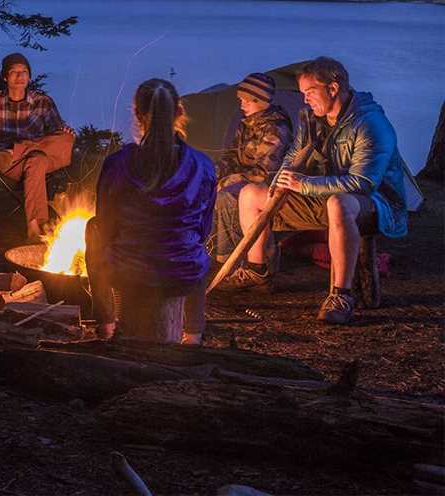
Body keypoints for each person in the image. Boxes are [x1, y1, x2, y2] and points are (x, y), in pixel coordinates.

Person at [229, 57, 407, 325]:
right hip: (325, 195)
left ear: (333, 88)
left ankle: (341, 294)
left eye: (310, 93)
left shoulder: (371, 124)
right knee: (251, 194)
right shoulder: (312, 119)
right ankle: (257, 271)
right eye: (302, 94)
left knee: (340, 203)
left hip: (376, 204)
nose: (305, 100)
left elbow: (362, 184)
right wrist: (282, 179)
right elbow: (293, 155)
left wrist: (304, 184)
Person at [86, 79, 216, 345]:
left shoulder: (117, 164)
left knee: (93, 229)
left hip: (128, 274)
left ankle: (107, 323)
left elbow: (107, 226)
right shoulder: (203, 166)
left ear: (137, 114)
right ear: (179, 112)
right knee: (194, 242)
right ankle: (193, 334)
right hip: (184, 274)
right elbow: (204, 228)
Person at [0, 52, 74, 240]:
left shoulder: (43, 102)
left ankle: (15, 151)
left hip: (16, 155)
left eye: (24, 72)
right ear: (5, 77)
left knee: (64, 140)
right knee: (36, 160)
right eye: (14, 72)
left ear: (29, 76)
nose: (20, 77)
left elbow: (57, 135)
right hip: (8, 164)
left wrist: (64, 132)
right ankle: (37, 230)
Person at [209, 73, 293, 262]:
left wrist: (226, 181)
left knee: (227, 195)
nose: (242, 105)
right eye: (240, 100)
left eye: (246, 101)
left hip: (268, 185)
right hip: (244, 179)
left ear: (260, 100)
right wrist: (213, 173)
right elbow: (232, 156)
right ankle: (213, 250)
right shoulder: (247, 124)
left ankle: (233, 258)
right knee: (209, 189)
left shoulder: (276, 129)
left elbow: (265, 173)